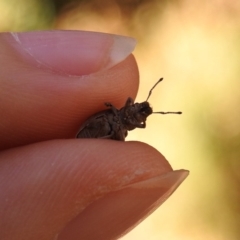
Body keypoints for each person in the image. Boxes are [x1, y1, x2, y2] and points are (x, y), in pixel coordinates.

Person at [0, 30, 188, 240]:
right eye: (140, 106)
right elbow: (126, 104)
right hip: (103, 122)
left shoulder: (136, 121)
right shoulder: (128, 105)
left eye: (142, 111)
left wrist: (124, 119)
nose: (139, 109)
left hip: (113, 129)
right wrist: (118, 112)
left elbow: (138, 126)